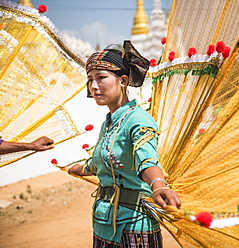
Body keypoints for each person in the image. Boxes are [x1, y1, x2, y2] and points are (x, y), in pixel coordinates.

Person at [68, 40, 181, 248]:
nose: (93, 86)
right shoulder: (108, 123)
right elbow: (101, 160)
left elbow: (146, 160)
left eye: (101, 78)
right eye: (90, 80)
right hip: (103, 223)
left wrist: (158, 186)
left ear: (123, 80)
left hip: (134, 227)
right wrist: (79, 168)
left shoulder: (138, 120)